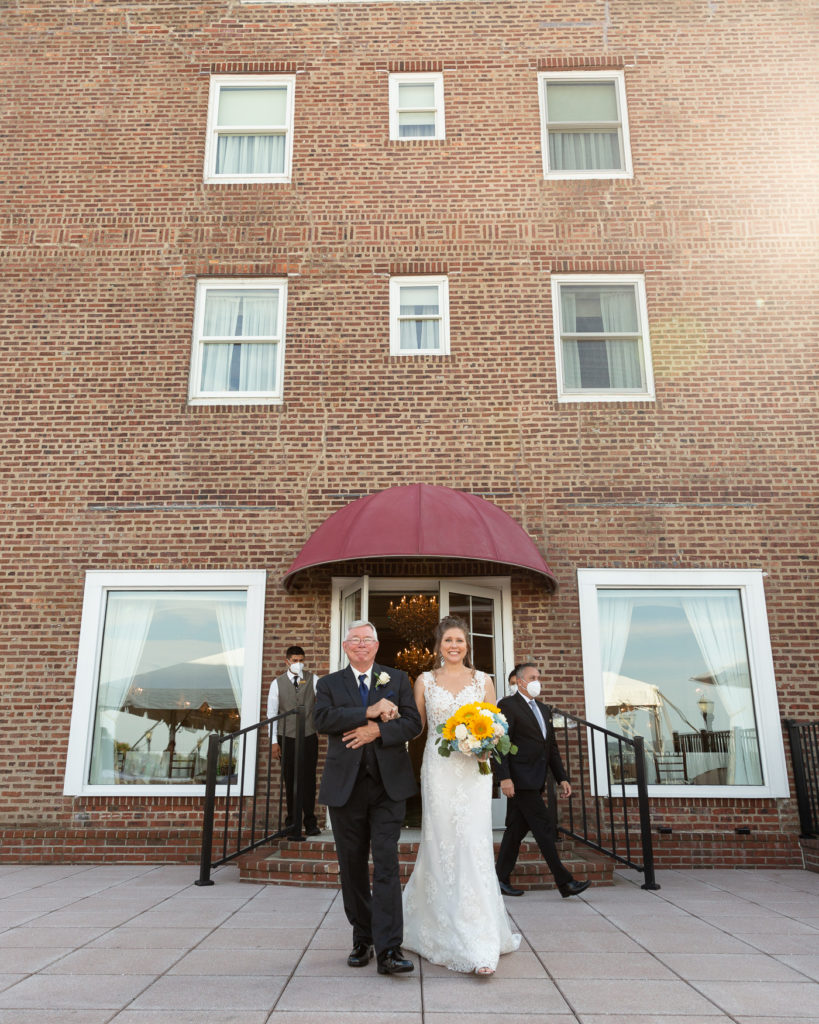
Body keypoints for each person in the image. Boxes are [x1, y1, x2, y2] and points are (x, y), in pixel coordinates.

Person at [402, 615, 521, 976]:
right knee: (440, 843)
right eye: (448, 640)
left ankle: (479, 936)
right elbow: (416, 726)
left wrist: (487, 747)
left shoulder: (484, 681)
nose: (454, 646)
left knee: (472, 843)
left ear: (468, 645)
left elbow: (496, 726)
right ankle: (436, 925)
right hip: (438, 768)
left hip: (473, 771)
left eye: (460, 640)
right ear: (438, 645)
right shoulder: (424, 681)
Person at [314, 620, 422, 976]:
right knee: (353, 866)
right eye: (355, 640)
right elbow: (322, 719)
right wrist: (368, 711)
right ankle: (363, 937)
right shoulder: (329, 683)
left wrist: (378, 729)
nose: (362, 645)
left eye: (368, 640)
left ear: (377, 646)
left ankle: (390, 947)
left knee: (387, 864)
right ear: (346, 647)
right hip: (345, 788)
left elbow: (413, 723)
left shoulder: (398, 679)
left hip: (388, 787)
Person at [495, 663, 590, 899]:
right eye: (532, 677)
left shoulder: (544, 709)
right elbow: (501, 744)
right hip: (520, 780)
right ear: (519, 681)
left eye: (539, 677)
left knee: (515, 831)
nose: (538, 681)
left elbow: (552, 749)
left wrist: (562, 778)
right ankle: (564, 882)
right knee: (545, 827)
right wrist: (504, 777)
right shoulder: (508, 705)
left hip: (536, 779)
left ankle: (499, 879)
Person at [267, 645, 321, 837]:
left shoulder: (313, 679)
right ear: (287, 661)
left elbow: (322, 703)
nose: (299, 664)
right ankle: (291, 822)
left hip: (308, 736)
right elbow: (272, 714)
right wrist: (274, 742)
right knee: (290, 780)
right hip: (286, 738)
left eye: (301, 660)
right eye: (295, 660)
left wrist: (317, 725)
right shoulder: (277, 683)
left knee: (309, 780)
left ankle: (310, 822)